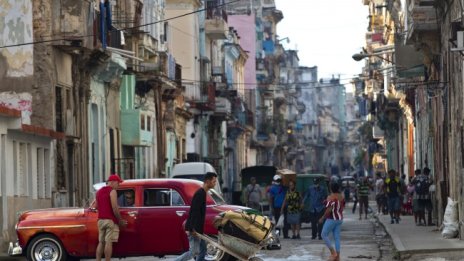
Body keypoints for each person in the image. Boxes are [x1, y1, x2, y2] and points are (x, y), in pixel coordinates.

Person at [175, 172, 218, 261]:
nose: (215, 183)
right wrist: (192, 228)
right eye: (214, 181)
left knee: (203, 250)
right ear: (207, 181)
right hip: (194, 229)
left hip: (198, 229)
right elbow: (194, 211)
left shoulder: (203, 193)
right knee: (193, 252)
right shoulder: (200, 193)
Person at [94, 174, 127, 261]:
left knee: (101, 242)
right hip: (109, 221)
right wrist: (120, 220)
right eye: (118, 183)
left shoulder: (98, 192)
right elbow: (114, 207)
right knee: (109, 242)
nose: (119, 185)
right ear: (112, 182)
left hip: (100, 221)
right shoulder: (112, 191)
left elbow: (96, 206)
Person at [319, 182, 345, 261]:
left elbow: (329, 209)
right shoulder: (341, 196)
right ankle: (338, 256)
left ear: (331, 188)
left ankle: (333, 252)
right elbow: (342, 207)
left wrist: (322, 218)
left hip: (332, 219)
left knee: (323, 234)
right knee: (337, 237)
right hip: (339, 219)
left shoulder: (331, 197)